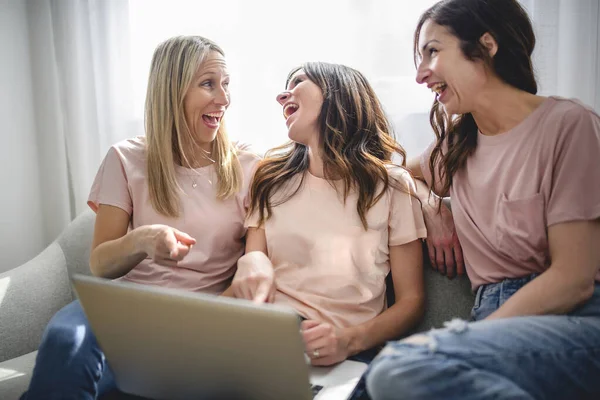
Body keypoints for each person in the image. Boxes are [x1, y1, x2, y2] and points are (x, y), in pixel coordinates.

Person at [365, 0, 600, 399]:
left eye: (433, 51)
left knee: (397, 367)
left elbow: (572, 280)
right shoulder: (458, 147)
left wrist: (471, 339)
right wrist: (430, 205)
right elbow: (390, 168)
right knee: (366, 385)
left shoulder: (568, 126)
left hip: (573, 322)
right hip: (493, 325)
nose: (421, 74)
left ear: (487, 45)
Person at [22, 35, 260, 400]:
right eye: (208, 84)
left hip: (208, 315)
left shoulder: (249, 167)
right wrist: (141, 241)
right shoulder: (125, 158)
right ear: (172, 90)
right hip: (129, 310)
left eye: (226, 84)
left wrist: (207, 319)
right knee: (65, 342)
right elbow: (100, 264)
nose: (224, 99)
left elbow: (254, 269)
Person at [228, 62, 428, 368]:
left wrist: (348, 341)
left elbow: (411, 302)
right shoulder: (270, 179)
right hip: (264, 337)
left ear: (338, 93)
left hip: (347, 351)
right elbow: (252, 278)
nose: (283, 96)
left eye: (298, 82)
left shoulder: (391, 185)